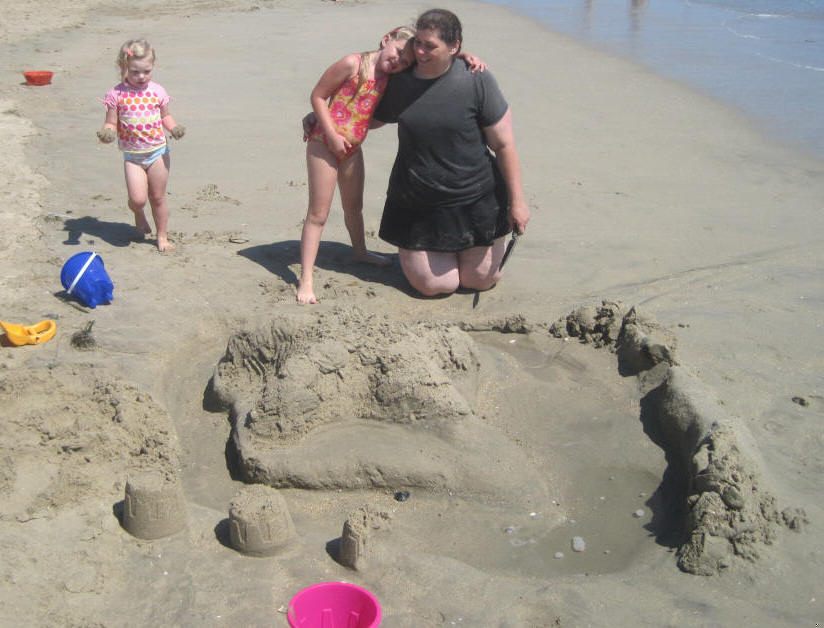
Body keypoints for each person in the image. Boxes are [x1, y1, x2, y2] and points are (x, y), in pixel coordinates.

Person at [298, 28, 487, 304]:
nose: (398, 61)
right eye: (398, 52)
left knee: (354, 207)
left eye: (405, 62)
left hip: (352, 148)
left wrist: (463, 56)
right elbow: (318, 96)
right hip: (324, 143)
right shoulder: (353, 63)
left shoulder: (392, 78)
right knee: (318, 214)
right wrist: (329, 132)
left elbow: (433, 64)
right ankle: (306, 279)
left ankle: (360, 251)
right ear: (387, 39)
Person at [372, 9, 529, 297]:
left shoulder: (476, 79)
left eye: (430, 46)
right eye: (418, 42)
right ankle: (434, 254)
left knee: (479, 280)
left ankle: (466, 252)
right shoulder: (401, 80)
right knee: (436, 286)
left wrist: (517, 202)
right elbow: (368, 119)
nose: (420, 52)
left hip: (476, 198)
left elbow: (504, 145)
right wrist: (322, 117)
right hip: (417, 201)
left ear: (454, 46)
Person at [97, 39, 185, 252]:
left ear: (153, 66)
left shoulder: (157, 91)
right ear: (124, 67)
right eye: (135, 72)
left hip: (158, 152)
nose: (141, 76)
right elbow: (111, 122)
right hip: (133, 157)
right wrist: (107, 133)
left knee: (157, 197)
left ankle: (162, 236)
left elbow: (165, 116)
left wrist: (174, 128)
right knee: (137, 200)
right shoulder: (116, 95)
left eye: (146, 71)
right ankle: (138, 213)